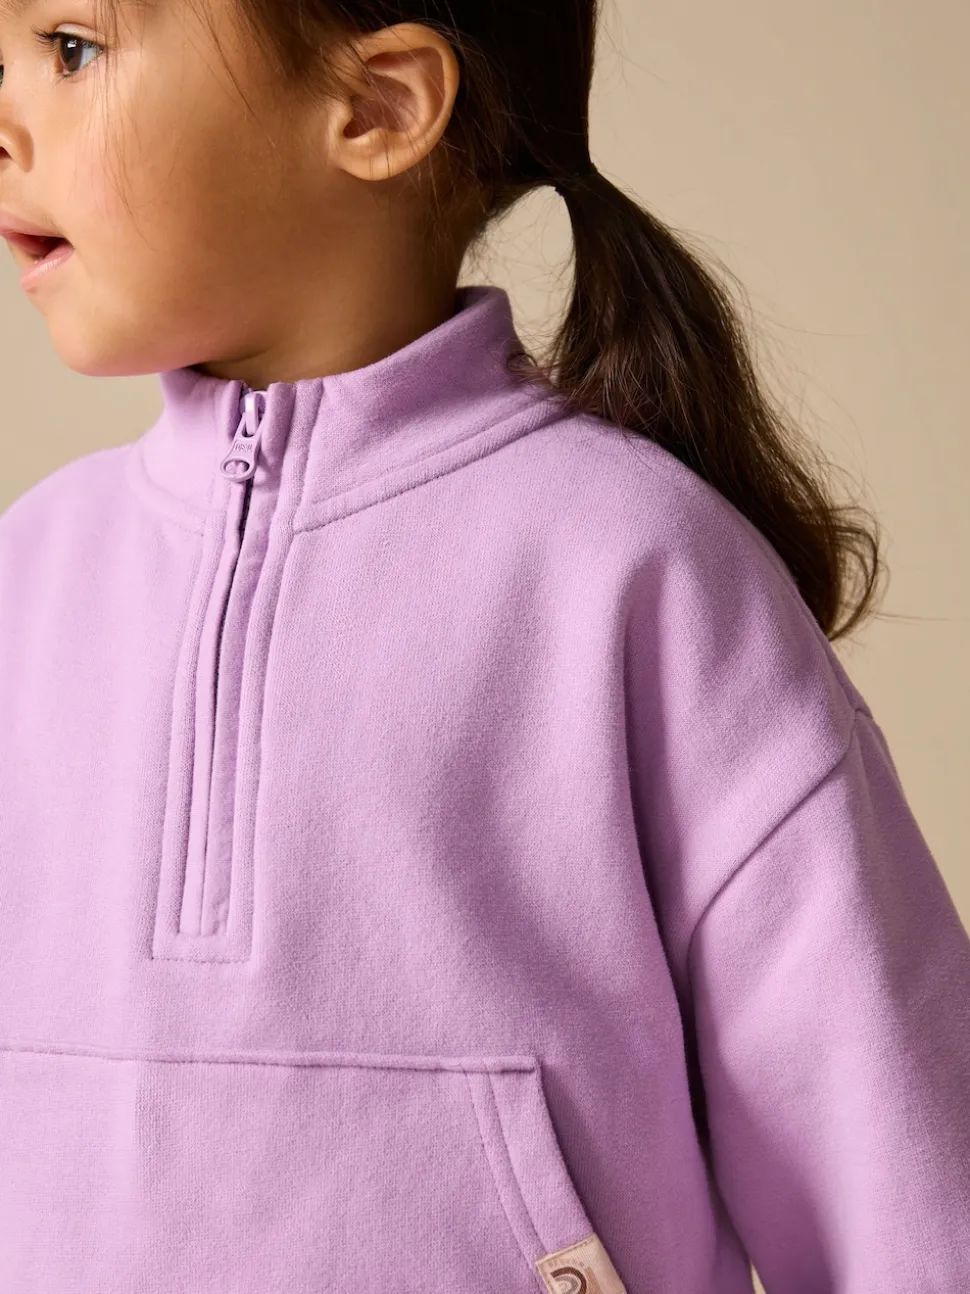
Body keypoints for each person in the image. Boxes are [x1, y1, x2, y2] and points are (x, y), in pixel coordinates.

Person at [0, 0, 967, 1290]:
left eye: (70, 49)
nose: (7, 115)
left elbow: (892, 1175)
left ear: (379, 105)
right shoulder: (29, 571)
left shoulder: (638, 570)